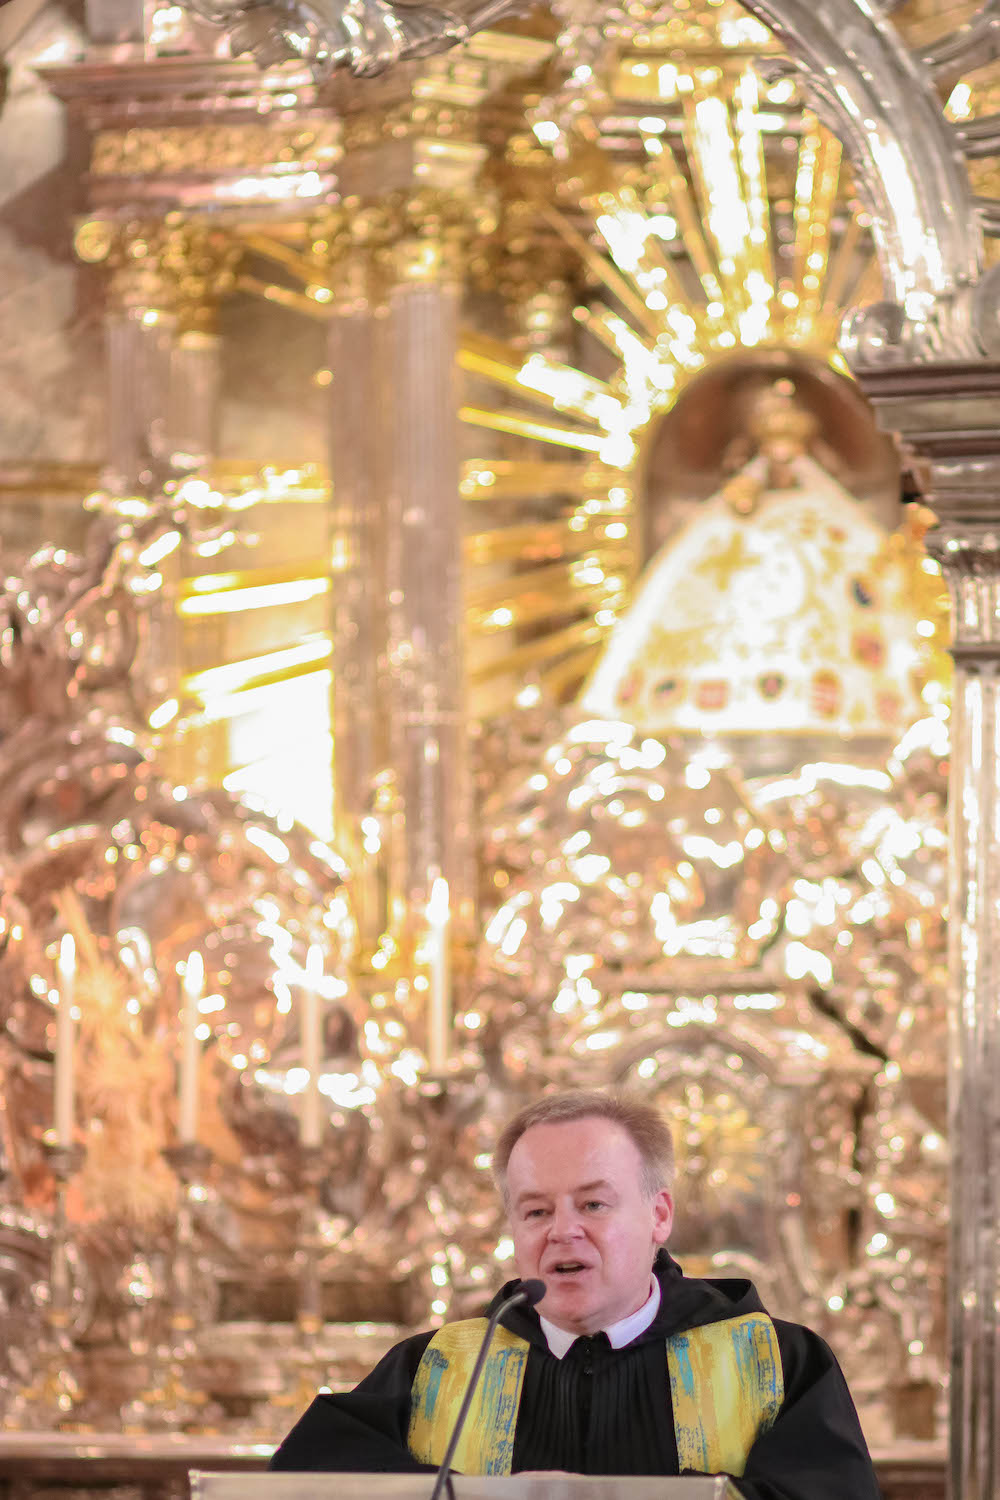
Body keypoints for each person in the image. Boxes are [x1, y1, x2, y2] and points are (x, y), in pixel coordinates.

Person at [270, 1090, 881, 1499]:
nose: (563, 1230)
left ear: (658, 1214)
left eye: (593, 1203)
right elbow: (308, 1482)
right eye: (536, 1210)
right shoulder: (434, 1368)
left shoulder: (778, 1363)